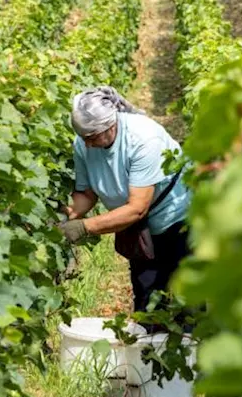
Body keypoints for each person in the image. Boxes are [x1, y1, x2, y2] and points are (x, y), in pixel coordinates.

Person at [58, 87, 194, 325]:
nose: (88, 145)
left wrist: (84, 227)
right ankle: (151, 355)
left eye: (92, 138)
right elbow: (87, 194)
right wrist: (69, 213)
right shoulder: (83, 143)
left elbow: (137, 208)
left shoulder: (143, 139)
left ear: (110, 126)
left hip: (176, 220)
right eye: (84, 138)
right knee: (147, 298)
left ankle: (192, 351)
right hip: (136, 228)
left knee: (187, 296)